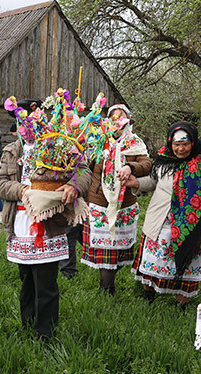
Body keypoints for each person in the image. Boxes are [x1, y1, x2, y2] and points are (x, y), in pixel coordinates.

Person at [0, 98, 92, 340]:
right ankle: (27, 327)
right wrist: (23, 191)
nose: (28, 127)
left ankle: (45, 333)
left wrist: (72, 186)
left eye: (32, 120)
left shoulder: (56, 144)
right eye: (23, 122)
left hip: (49, 225)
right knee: (26, 280)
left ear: (41, 120)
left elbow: (84, 170)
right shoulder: (11, 151)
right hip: (21, 224)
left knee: (46, 282)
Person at [124, 121, 201, 309]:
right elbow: (154, 181)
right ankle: (148, 294)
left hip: (190, 223)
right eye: (177, 145)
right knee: (154, 257)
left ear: (193, 142)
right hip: (161, 218)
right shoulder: (165, 157)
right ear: (170, 143)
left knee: (187, 257)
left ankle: (182, 304)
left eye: (185, 144)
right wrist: (136, 183)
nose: (180, 149)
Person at [78, 104, 151, 293]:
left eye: (121, 119)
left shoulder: (135, 143)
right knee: (105, 250)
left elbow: (147, 164)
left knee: (118, 250)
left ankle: (110, 279)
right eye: (113, 119)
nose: (117, 123)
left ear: (128, 121)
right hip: (99, 203)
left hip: (124, 204)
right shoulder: (99, 141)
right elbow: (86, 166)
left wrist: (131, 167)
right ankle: (106, 288)